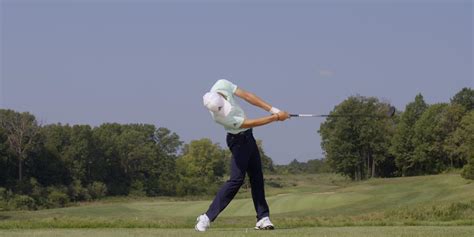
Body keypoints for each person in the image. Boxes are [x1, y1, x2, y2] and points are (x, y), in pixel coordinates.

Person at [196, 79, 289, 232]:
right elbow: (248, 123)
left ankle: (263, 218)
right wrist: (276, 118)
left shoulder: (221, 84)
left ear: (222, 97)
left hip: (248, 138)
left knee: (257, 177)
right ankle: (206, 217)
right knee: (236, 180)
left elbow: (247, 96)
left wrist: (272, 109)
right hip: (237, 142)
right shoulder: (220, 117)